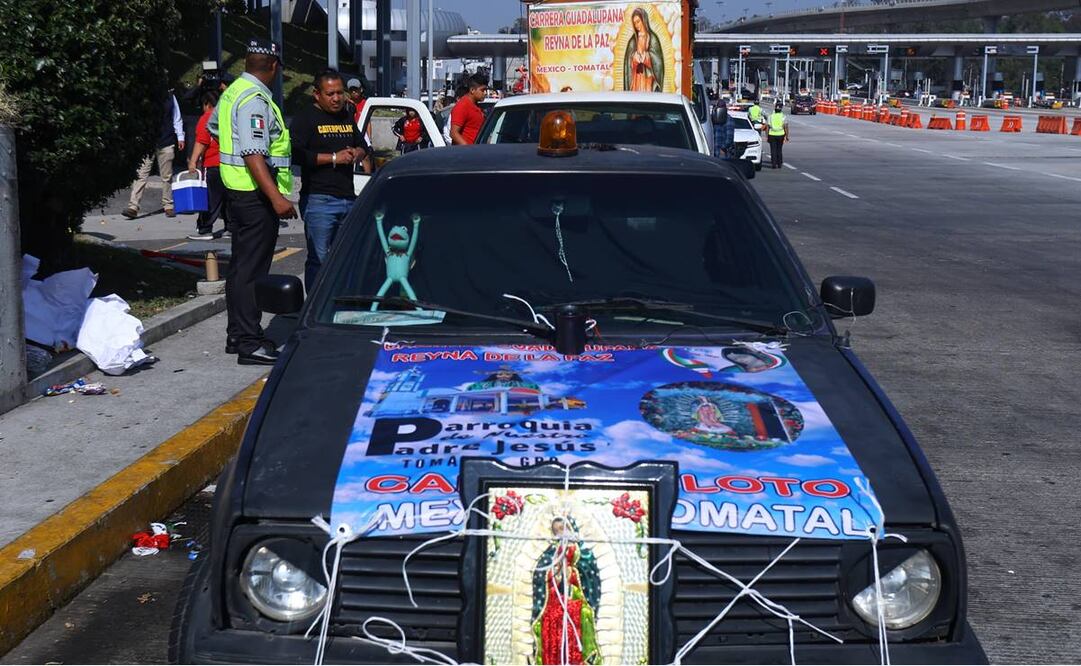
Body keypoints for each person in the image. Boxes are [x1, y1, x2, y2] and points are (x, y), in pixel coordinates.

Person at [209, 39, 297, 365]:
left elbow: (214, 127)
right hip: (254, 196)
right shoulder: (254, 101)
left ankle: (237, 335)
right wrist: (276, 198)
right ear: (273, 67)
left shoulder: (232, 92)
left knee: (240, 268)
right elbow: (253, 153)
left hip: (238, 192)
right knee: (251, 272)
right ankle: (249, 342)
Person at [290, 69, 370, 292]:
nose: (337, 98)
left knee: (345, 257)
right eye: (330, 94)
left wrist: (357, 153)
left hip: (348, 197)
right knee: (319, 258)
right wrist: (334, 158)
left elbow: (365, 146)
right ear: (317, 94)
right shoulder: (305, 118)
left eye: (340, 93)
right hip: (319, 200)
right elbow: (296, 154)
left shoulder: (345, 115)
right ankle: (315, 311)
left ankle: (339, 305)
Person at [123, 89, 185, 219]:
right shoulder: (146, 96)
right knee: (141, 174)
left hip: (166, 140)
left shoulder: (170, 97)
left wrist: (180, 136)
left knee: (166, 176)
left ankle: (168, 205)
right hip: (148, 141)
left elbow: (176, 117)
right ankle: (133, 206)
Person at [185, 91, 228, 241]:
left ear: (206, 104)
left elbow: (202, 141)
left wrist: (193, 161)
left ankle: (204, 229)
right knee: (227, 198)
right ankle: (230, 227)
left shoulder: (207, 117)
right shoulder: (227, 115)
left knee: (210, 198)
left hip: (213, 163)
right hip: (229, 164)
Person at [623, 7, 664, 92]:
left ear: (644, 20)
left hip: (648, 77)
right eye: (634, 23)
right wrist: (634, 58)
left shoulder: (652, 38)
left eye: (638, 22)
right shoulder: (633, 40)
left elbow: (658, 62)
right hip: (637, 77)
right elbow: (628, 61)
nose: (637, 25)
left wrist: (647, 57)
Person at [449, 73, 488, 145]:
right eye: (482, 90)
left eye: (486, 90)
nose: (485, 93)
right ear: (472, 90)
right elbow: (454, 133)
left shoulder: (476, 106)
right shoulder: (462, 106)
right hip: (466, 154)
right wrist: (469, 149)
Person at [767, 102, 789, 169]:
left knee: (773, 150)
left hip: (772, 134)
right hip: (780, 134)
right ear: (781, 109)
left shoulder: (770, 116)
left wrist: (767, 136)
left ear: (775, 109)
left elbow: (768, 127)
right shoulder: (783, 116)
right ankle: (779, 164)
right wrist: (787, 136)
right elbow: (786, 127)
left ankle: (773, 164)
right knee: (779, 149)